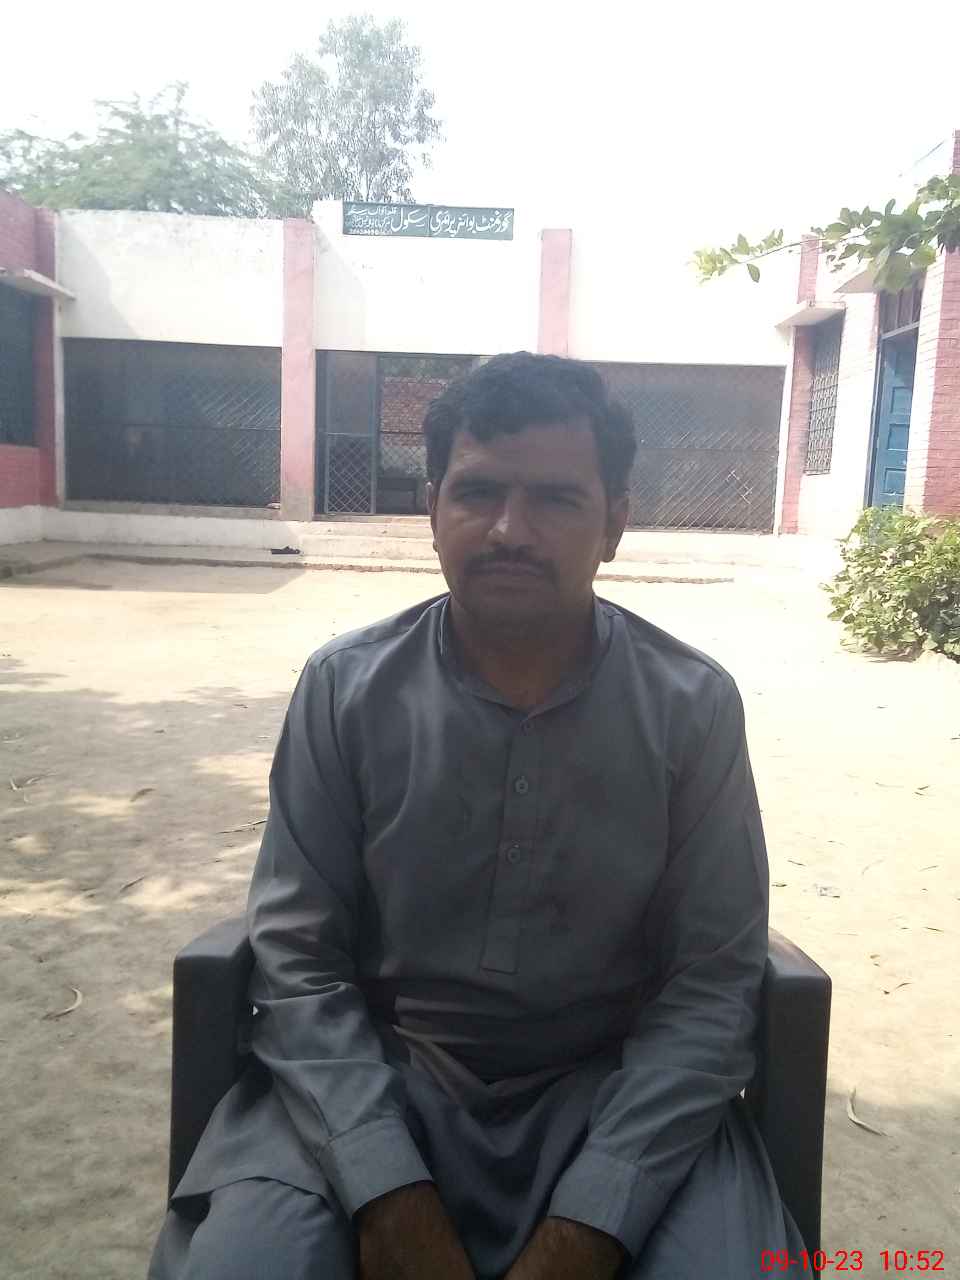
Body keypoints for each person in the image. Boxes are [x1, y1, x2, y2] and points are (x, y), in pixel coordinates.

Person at [149, 352, 805, 1279]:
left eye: (556, 500)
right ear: (433, 509)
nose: (509, 530)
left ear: (615, 523)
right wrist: (386, 1188)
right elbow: (297, 957)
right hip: (372, 1079)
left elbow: (712, 981)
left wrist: (595, 1217)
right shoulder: (346, 690)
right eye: (478, 492)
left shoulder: (691, 707)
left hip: (615, 1093)